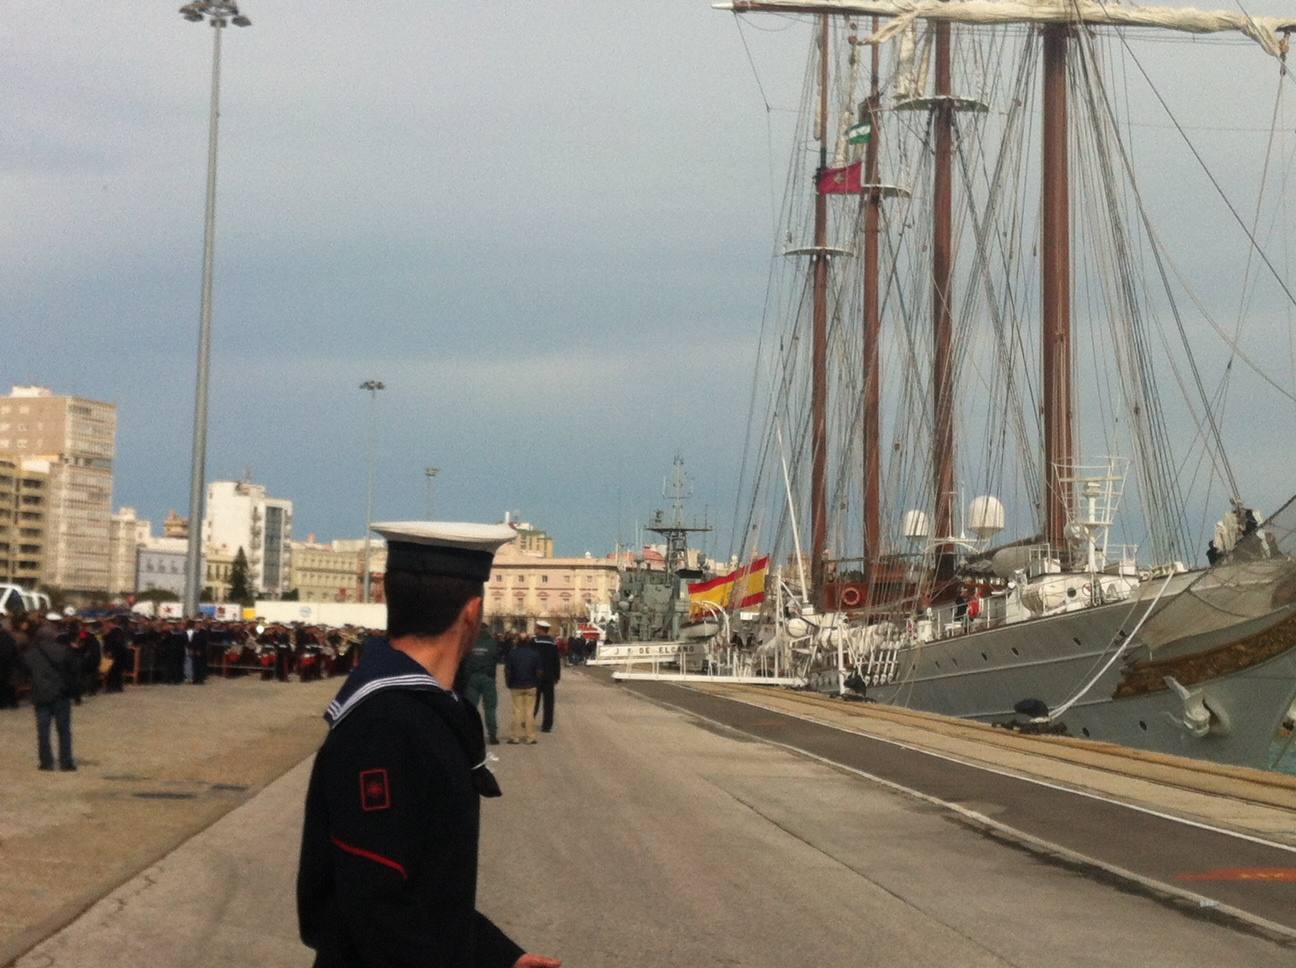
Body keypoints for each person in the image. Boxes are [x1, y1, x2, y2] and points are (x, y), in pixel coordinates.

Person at [296, 521, 560, 968]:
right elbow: (377, 911)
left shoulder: (422, 711)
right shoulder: (388, 725)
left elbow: (422, 892)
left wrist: (499, 957)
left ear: (383, 592)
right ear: (472, 613)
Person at [18, 613, 79, 771]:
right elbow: (74, 670)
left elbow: (25, 673)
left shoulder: (30, 655)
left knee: (43, 731)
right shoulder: (64, 651)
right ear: (54, 636)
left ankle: (46, 762)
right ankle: (66, 762)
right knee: (64, 730)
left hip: (40, 694)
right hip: (61, 693)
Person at [462, 624, 501, 744]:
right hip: (488, 678)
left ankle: (470, 735)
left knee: (471, 708)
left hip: (472, 678)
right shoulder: (492, 643)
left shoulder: (469, 643)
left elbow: (465, 661)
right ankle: (492, 735)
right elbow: (496, 659)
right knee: (490, 708)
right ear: (486, 630)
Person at [504, 630, 543, 745]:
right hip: (531, 685)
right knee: (529, 712)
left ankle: (515, 737)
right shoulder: (535, 654)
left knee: (517, 711)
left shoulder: (512, 653)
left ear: (517, 640)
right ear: (528, 641)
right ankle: (530, 737)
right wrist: (537, 683)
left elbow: (507, 670)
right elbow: (539, 671)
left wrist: (508, 683)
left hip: (516, 685)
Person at [531, 621, 560, 733]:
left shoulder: (534, 642)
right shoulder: (553, 643)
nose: (535, 629)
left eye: (537, 628)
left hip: (535, 675)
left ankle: (530, 721)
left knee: (534, 701)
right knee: (549, 702)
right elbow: (556, 661)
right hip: (549, 676)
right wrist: (557, 676)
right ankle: (547, 725)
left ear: (540, 629)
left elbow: (530, 658)